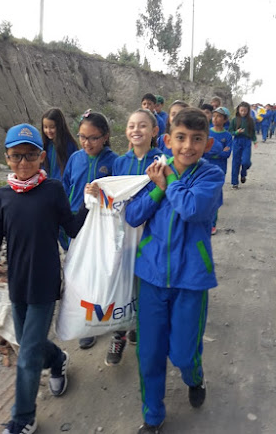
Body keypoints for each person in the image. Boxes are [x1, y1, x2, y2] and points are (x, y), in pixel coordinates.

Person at [0, 123, 89, 434]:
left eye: (30, 156)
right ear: (7, 158)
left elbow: (72, 228)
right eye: (16, 156)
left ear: (41, 157)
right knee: (29, 345)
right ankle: (58, 359)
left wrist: (91, 202)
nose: (23, 164)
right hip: (17, 284)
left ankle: (23, 418)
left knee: (27, 355)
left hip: (45, 284)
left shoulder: (53, 190)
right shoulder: (2, 197)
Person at [125, 107, 225, 434]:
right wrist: (156, 186)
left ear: (207, 144)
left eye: (197, 139)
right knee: (150, 354)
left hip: (191, 279)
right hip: (152, 277)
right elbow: (133, 215)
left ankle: (193, 376)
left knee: (182, 352)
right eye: (180, 138)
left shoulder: (210, 176)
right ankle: (152, 417)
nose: (187, 146)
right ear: (167, 140)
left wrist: (168, 181)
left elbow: (192, 208)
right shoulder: (155, 171)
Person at [105, 109, 163, 366]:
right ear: (126, 131)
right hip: (124, 236)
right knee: (122, 283)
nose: (136, 130)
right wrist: (97, 190)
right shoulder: (120, 162)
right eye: (131, 126)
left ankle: (138, 325)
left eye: (142, 125)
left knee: (142, 285)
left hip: (151, 235)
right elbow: (115, 196)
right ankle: (119, 334)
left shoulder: (162, 162)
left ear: (155, 131)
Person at [63, 109, 118, 350]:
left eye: (93, 137)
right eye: (82, 137)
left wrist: (102, 195)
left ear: (105, 136)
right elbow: (66, 186)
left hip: (101, 227)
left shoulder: (115, 162)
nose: (87, 142)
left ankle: (95, 320)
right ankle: (84, 315)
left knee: (97, 272)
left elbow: (120, 198)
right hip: (76, 224)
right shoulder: (76, 158)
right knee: (77, 272)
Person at [205, 107, 232, 235]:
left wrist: (213, 153)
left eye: (219, 116)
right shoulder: (206, 133)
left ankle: (212, 224)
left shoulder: (227, 136)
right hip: (204, 169)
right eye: (214, 116)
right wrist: (219, 152)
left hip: (219, 170)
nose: (215, 119)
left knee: (215, 197)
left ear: (225, 119)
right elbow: (204, 152)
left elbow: (227, 154)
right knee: (204, 196)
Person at [41, 107, 78, 180]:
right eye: (45, 127)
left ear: (60, 126)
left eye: (52, 127)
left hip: (62, 188)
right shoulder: (44, 145)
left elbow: (74, 171)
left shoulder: (69, 146)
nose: (48, 131)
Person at [229, 101, 257, 189]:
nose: (243, 112)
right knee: (235, 162)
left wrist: (255, 140)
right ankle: (234, 182)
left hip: (247, 142)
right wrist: (237, 132)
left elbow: (253, 132)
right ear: (238, 110)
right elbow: (230, 132)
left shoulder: (251, 120)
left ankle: (243, 173)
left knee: (246, 161)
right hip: (237, 141)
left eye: (245, 111)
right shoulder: (234, 120)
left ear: (248, 111)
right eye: (241, 110)